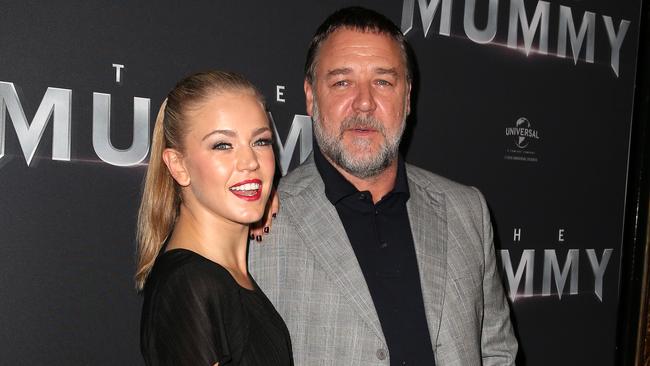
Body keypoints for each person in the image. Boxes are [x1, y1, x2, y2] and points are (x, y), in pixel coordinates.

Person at [249, 7, 517, 365]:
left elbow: (497, 351)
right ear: (311, 96)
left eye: (383, 82)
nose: (364, 102)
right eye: (342, 82)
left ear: (407, 99)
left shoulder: (467, 209)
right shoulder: (257, 227)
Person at [136, 71, 293, 366]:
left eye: (260, 141)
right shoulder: (192, 284)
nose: (250, 162)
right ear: (178, 165)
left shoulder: (222, 278)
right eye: (223, 145)